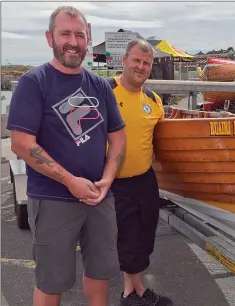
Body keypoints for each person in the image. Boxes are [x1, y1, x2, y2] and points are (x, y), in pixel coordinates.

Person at [7, 6, 126, 306]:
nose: (73, 41)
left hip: (99, 197)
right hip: (52, 200)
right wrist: (70, 181)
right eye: (65, 34)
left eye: (79, 34)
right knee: (51, 282)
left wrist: (107, 181)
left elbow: (118, 137)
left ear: (87, 38)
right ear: (50, 38)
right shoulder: (34, 83)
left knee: (100, 273)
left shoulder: (100, 85)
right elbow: (21, 143)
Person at [106, 39, 173, 306]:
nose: (141, 66)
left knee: (145, 235)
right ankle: (131, 292)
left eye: (147, 63)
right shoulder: (105, 91)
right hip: (115, 181)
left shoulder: (153, 100)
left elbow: (163, 138)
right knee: (127, 236)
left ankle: (136, 292)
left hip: (145, 179)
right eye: (136, 60)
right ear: (124, 61)